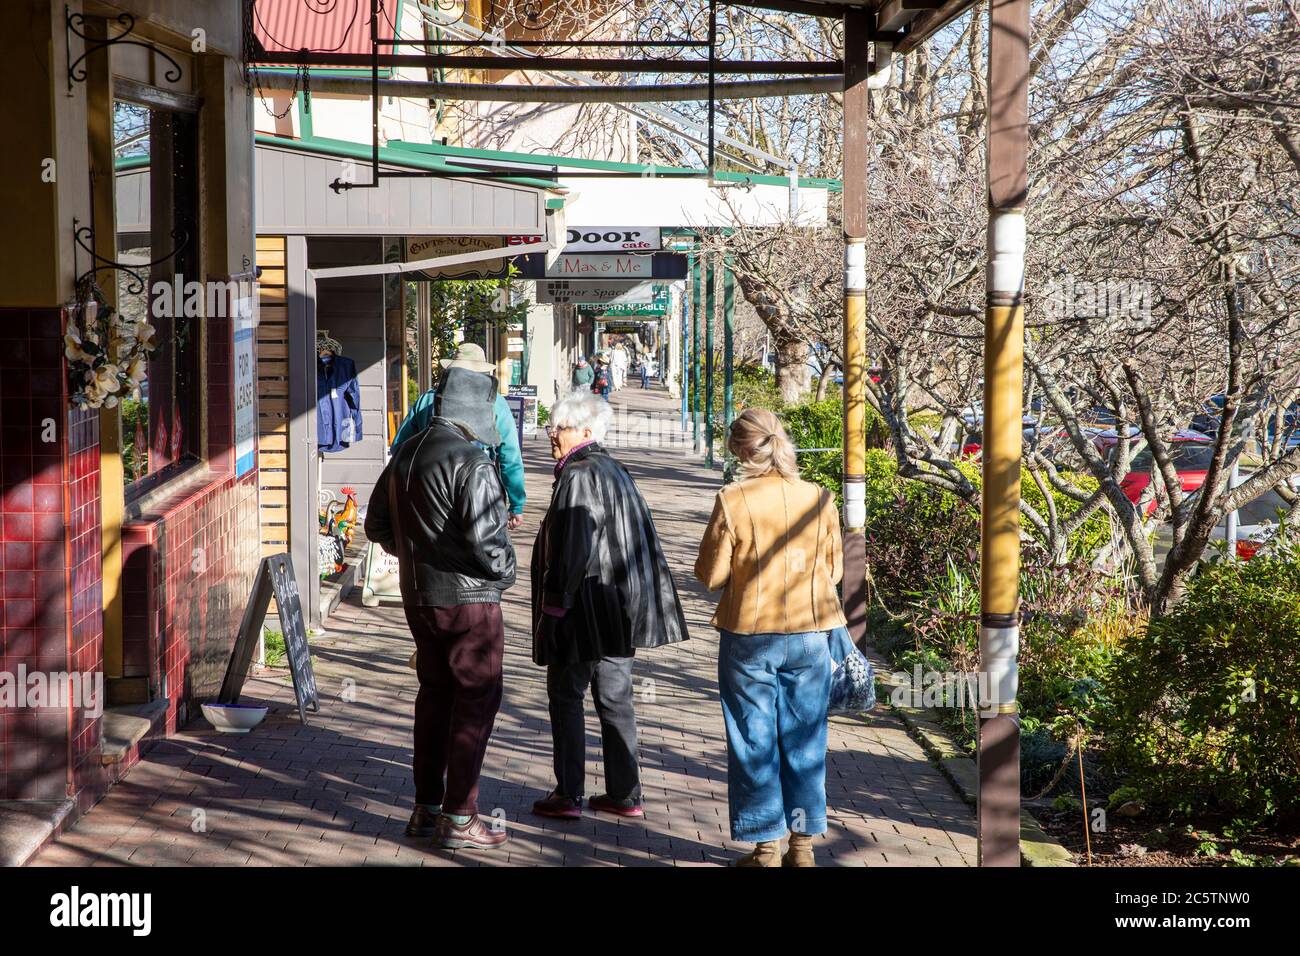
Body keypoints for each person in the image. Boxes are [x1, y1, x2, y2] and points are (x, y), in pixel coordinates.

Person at [693, 408, 846, 867]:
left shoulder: (734, 499)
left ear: (741, 450)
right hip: (811, 632)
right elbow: (835, 570)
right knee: (804, 739)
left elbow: (711, 574)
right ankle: (802, 849)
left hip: (751, 635)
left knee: (753, 738)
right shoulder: (820, 498)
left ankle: (766, 849)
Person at [365, 390, 517, 851]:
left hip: (420, 599)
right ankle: (459, 814)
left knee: (434, 700)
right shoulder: (472, 461)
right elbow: (489, 544)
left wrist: (417, 558)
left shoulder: (406, 453)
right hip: (469, 603)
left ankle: (426, 807)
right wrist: (505, 572)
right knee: (473, 703)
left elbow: (376, 527)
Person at [531, 390, 689, 820]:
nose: (552, 436)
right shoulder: (613, 468)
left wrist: (555, 603)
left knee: (565, 695)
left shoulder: (578, 475)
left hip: (584, 608)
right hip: (617, 608)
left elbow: (574, 546)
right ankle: (625, 794)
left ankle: (568, 794)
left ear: (584, 431)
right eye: (552, 427)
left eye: (559, 428)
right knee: (616, 699)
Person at [391, 342, 525, 529]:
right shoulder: (495, 403)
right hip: (479, 490)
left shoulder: (428, 399)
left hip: (428, 489)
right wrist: (516, 503)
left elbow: (399, 447)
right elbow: (509, 455)